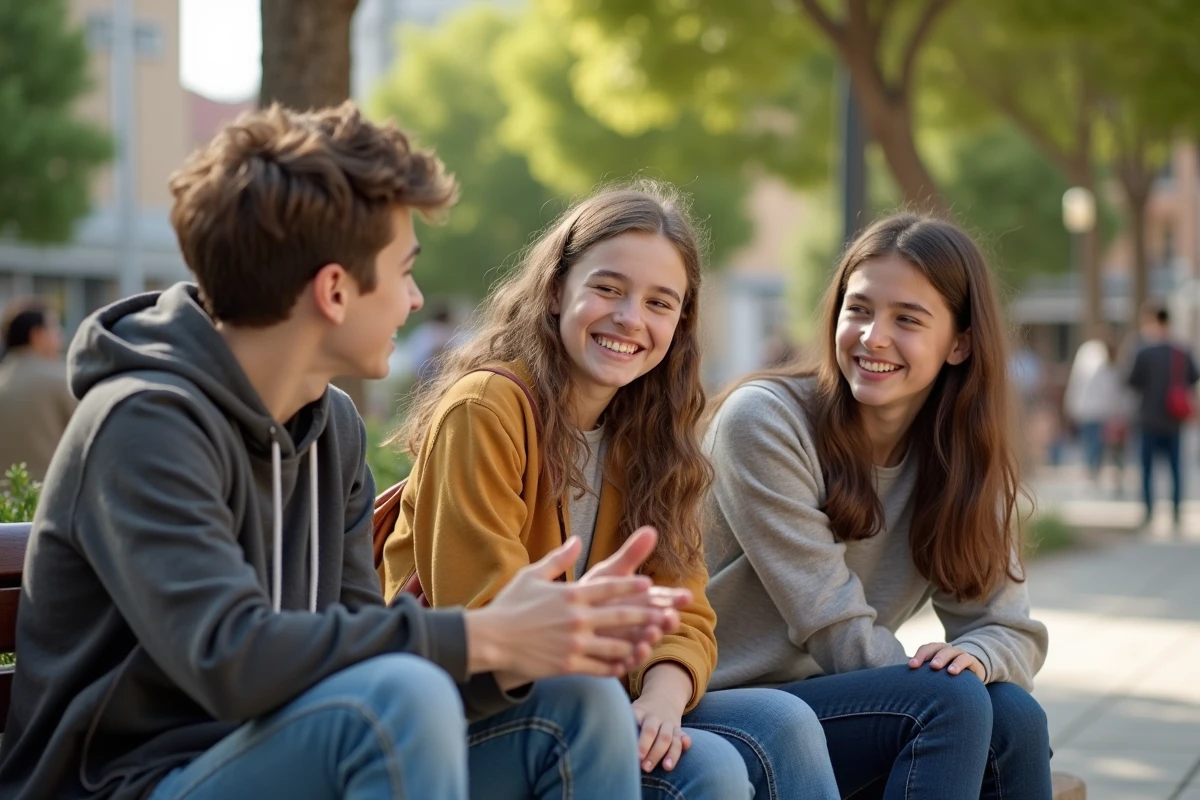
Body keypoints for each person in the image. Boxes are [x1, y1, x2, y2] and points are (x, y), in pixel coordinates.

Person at [0, 103, 681, 800]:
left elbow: (360, 633)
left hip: (285, 747)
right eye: (404, 272)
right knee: (397, 702)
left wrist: (539, 643)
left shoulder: (334, 428)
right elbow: (229, 655)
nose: (415, 300)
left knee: (581, 702)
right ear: (334, 290)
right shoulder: (142, 424)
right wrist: (486, 636)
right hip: (128, 783)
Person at [378, 182, 840, 800]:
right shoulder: (486, 410)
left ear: (680, 323)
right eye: (608, 288)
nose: (630, 319)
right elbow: (486, 617)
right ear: (554, 290)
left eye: (660, 303)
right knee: (712, 769)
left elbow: (687, 614)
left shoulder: (652, 435)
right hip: (478, 718)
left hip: (608, 695)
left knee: (788, 721)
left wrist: (662, 699)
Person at [703, 214, 1052, 798]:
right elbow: (832, 625)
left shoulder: (961, 456)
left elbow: (1011, 630)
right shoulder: (765, 421)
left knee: (1015, 717)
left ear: (960, 342)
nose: (872, 337)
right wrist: (944, 684)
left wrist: (972, 659)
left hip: (839, 708)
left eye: (907, 319)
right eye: (859, 309)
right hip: (724, 708)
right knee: (948, 703)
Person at [1128, 302, 1199, 530]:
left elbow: (1132, 382)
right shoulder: (1182, 351)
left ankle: (1148, 512)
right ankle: (1176, 512)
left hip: (1148, 418)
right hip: (1173, 420)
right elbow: (1193, 378)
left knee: (1147, 470)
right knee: (1175, 470)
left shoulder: (1143, 351)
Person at [0, 297, 77, 482]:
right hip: (48, 499)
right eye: (55, 329)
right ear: (36, 335)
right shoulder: (60, 379)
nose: (61, 336)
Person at [1064, 335, 1133, 490]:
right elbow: (1122, 394)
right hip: (1108, 414)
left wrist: (1071, 407)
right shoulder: (1113, 366)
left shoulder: (1088, 356)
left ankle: (1094, 478)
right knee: (1112, 451)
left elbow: (1077, 384)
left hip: (1092, 412)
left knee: (1094, 448)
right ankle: (1112, 480)